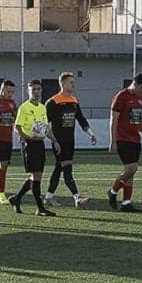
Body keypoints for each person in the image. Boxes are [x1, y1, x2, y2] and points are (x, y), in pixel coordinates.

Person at [43, 72, 96, 208]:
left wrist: (90, 133)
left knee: (58, 168)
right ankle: (77, 198)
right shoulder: (53, 102)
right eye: (71, 82)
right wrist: (53, 139)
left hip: (70, 141)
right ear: (63, 83)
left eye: (73, 82)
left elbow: (81, 118)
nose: (73, 84)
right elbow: (44, 123)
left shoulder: (74, 100)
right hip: (59, 142)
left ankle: (48, 197)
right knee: (67, 168)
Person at [9, 79, 60, 216]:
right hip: (29, 144)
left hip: (40, 143)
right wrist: (27, 137)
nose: (36, 92)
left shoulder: (43, 107)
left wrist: (55, 141)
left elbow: (46, 128)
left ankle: (17, 198)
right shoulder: (24, 107)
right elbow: (17, 126)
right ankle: (40, 208)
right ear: (28, 91)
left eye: (38, 89)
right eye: (33, 89)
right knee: (36, 175)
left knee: (36, 176)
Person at [108, 74, 142, 213]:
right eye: (141, 87)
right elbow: (113, 120)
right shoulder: (121, 96)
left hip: (135, 140)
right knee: (132, 168)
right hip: (123, 139)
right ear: (134, 83)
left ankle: (126, 202)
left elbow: (141, 120)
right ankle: (113, 191)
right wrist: (112, 141)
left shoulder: (139, 99)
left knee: (130, 173)